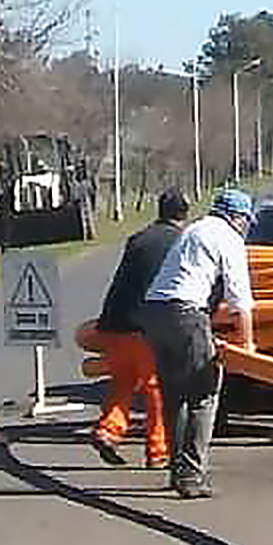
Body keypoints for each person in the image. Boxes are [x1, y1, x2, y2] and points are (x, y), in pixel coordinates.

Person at [139, 189, 258, 499]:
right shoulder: (229, 237)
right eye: (247, 221)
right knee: (205, 392)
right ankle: (191, 476)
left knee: (175, 395)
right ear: (238, 218)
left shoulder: (193, 229)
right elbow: (239, 300)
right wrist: (247, 345)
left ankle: (178, 472)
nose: (247, 227)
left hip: (153, 312)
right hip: (185, 313)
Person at [87, 189, 189, 468]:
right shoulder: (180, 242)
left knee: (123, 381)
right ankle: (159, 451)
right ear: (184, 215)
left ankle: (108, 431)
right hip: (146, 328)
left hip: (113, 324)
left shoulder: (139, 238)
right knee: (157, 388)